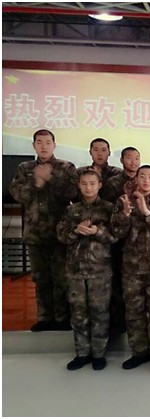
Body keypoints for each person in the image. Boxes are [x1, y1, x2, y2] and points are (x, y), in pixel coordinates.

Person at [9, 129, 78, 332]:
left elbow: (72, 193)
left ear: (54, 145)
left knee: (61, 278)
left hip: (60, 233)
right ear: (34, 146)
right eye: (39, 142)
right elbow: (17, 194)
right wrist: (37, 183)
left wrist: (51, 179)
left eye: (48, 142)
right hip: (35, 233)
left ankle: (63, 318)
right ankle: (44, 317)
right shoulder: (25, 168)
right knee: (41, 278)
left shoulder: (66, 167)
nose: (44, 146)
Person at [111, 165, 150, 370]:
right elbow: (116, 232)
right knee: (134, 312)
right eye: (142, 176)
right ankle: (139, 352)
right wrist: (125, 214)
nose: (146, 180)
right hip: (131, 267)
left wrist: (146, 211)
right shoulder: (124, 201)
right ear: (136, 179)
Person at [57, 170, 118, 371]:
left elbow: (115, 236)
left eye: (92, 183)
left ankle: (99, 354)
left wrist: (97, 232)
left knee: (100, 313)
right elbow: (61, 235)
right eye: (84, 183)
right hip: (75, 270)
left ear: (100, 185)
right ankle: (82, 353)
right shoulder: (71, 210)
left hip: (100, 270)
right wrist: (76, 231)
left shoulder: (109, 208)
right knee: (78, 314)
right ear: (79, 185)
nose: (88, 187)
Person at [101, 146, 141, 335]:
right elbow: (106, 208)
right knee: (117, 281)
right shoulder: (113, 182)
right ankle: (118, 322)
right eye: (129, 158)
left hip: (139, 240)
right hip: (119, 238)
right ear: (122, 160)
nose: (133, 162)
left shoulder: (144, 179)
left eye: (136, 158)